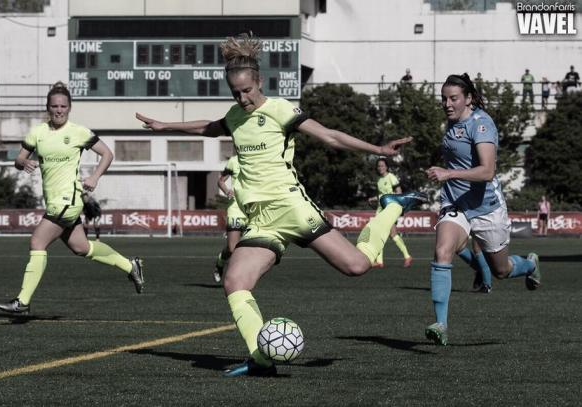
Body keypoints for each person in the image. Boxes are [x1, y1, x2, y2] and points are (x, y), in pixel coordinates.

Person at [136, 33, 427, 377]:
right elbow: (209, 127)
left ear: (259, 81)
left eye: (247, 91)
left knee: (357, 267)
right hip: (260, 220)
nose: (243, 98)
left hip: (293, 209)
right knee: (234, 282)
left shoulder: (280, 110)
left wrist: (377, 150)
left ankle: (391, 207)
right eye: (235, 93)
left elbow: (330, 136)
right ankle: (260, 359)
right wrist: (165, 124)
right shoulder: (234, 117)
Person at [0, 82, 144, 315]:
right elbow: (19, 159)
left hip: (68, 200)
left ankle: (22, 302)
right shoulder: (38, 132)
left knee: (37, 242)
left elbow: (107, 154)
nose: (59, 110)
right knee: (81, 247)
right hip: (54, 200)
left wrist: (95, 177)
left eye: (63, 106)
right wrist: (23, 162)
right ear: (48, 107)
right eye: (54, 106)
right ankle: (130, 265)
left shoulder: (78, 132)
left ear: (69, 108)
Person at [424, 73, 541, 346]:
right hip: (456, 204)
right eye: (444, 99)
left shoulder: (482, 124)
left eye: (453, 98)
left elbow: (487, 171)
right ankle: (440, 324)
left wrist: (448, 174)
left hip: (487, 208)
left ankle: (530, 264)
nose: (447, 104)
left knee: (501, 270)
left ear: (468, 99)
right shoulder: (452, 125)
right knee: (442, 251)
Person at [367, 157, 413, 268]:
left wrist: (396, 206)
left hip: (389, 209)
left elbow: (398, 193)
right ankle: (379, 262)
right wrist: (375, 199)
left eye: (382, 165)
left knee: (392, 234)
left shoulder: (391, 177)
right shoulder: (379, 180)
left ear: (386, 167)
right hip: (380, 209)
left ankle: (407, 256)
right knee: (379, 234)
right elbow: (382, 195)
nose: (380, 168)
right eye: (379, 166)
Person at [213, 155, 248, 283]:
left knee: (249, 247)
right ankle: (220, 262)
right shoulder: (234, 161)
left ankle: (240, 276)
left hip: (253, 209)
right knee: (232, 248)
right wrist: (227, 191)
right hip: (236, 209)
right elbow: (221, 180)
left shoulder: (260, 159)